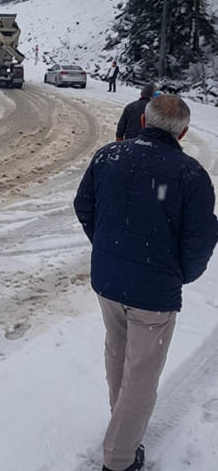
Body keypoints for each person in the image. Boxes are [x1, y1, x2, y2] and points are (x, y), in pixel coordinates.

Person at [74, 94, 218, 471]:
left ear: (143, 122)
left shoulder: (109, 156)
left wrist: (106, 247)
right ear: (183, 132)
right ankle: (120, 459)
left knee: (118, 355)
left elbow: (84, 206)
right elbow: (200, 239)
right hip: (153, 293)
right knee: (141, 375)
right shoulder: (189, 175)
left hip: (108, 282)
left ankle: (122, 428)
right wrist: (180, 273)